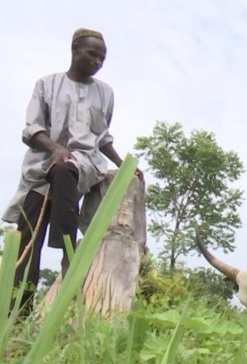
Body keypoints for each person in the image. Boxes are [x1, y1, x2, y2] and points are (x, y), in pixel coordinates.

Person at [2, 28, 143, 318]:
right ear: (75, 50)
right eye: (92, 54)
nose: (97, 62)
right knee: (27, 242)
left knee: (66, 169)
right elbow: (32, 130)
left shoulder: (105, 93)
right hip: (40, 171)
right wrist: (55, 148)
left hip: (83, 167)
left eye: (102, 58)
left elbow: (102, 138)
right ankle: (17, 315)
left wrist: (124, 164)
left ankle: (67, 251)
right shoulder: (47, 84)